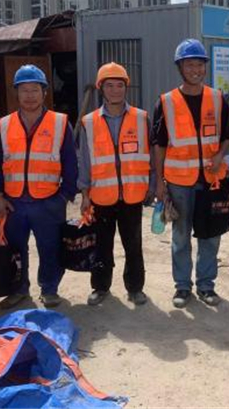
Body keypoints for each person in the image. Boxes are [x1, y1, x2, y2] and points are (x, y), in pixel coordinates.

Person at [0, 64, 77, 309]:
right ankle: (19, 290)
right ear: (16, 92)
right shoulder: (3, 125)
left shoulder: (60, 123)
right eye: (24, 90)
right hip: (13, 202)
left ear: (44, 92)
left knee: (50, 248)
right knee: (16, 250)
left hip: (49, 201)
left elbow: (71, 163)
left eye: (35, 90)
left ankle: (49, 289)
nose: (29, 95)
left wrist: (64, 196)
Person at [152, 39, 229, 308]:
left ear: (205, 67)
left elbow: (227, 136)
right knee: (181, 236)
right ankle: (183, 286)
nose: (195, 70)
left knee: (210, 235)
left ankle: (206, 286)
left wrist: (219, 156)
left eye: (200, 64)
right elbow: (159, 145)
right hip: (179, 182)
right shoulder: (166, 102)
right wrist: (159, 182)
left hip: (211, 180)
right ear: (180, 68)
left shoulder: (218, 99)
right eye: (189, 65)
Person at [78, 62, 153, 307]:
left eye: (119, 85)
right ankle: (100, 287)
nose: (115, 90)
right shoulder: (89, 122)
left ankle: (135, 288)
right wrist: (85, 193)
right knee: (102, 245)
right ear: (101, 89)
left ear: (126, 87)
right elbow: (85, 161)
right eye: (109, 85)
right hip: (101, 196)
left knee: (133, 245)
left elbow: (151, 155)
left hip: (132, 195)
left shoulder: (141, 118)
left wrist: (152, 186)